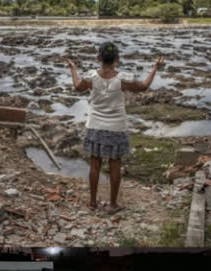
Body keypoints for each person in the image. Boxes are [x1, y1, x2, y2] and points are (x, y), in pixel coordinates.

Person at [66, 44, 164, 213]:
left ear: (98, 58)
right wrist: (154, 68)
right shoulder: (122, 80)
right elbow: (143, 86)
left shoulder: (91, 77)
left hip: (95, 125)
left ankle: (92, 203)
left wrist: (73, 69)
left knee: (95, 164)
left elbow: (77, 86)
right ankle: (112, 204)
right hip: (116, 127)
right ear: (117, 59)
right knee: (115, 165)